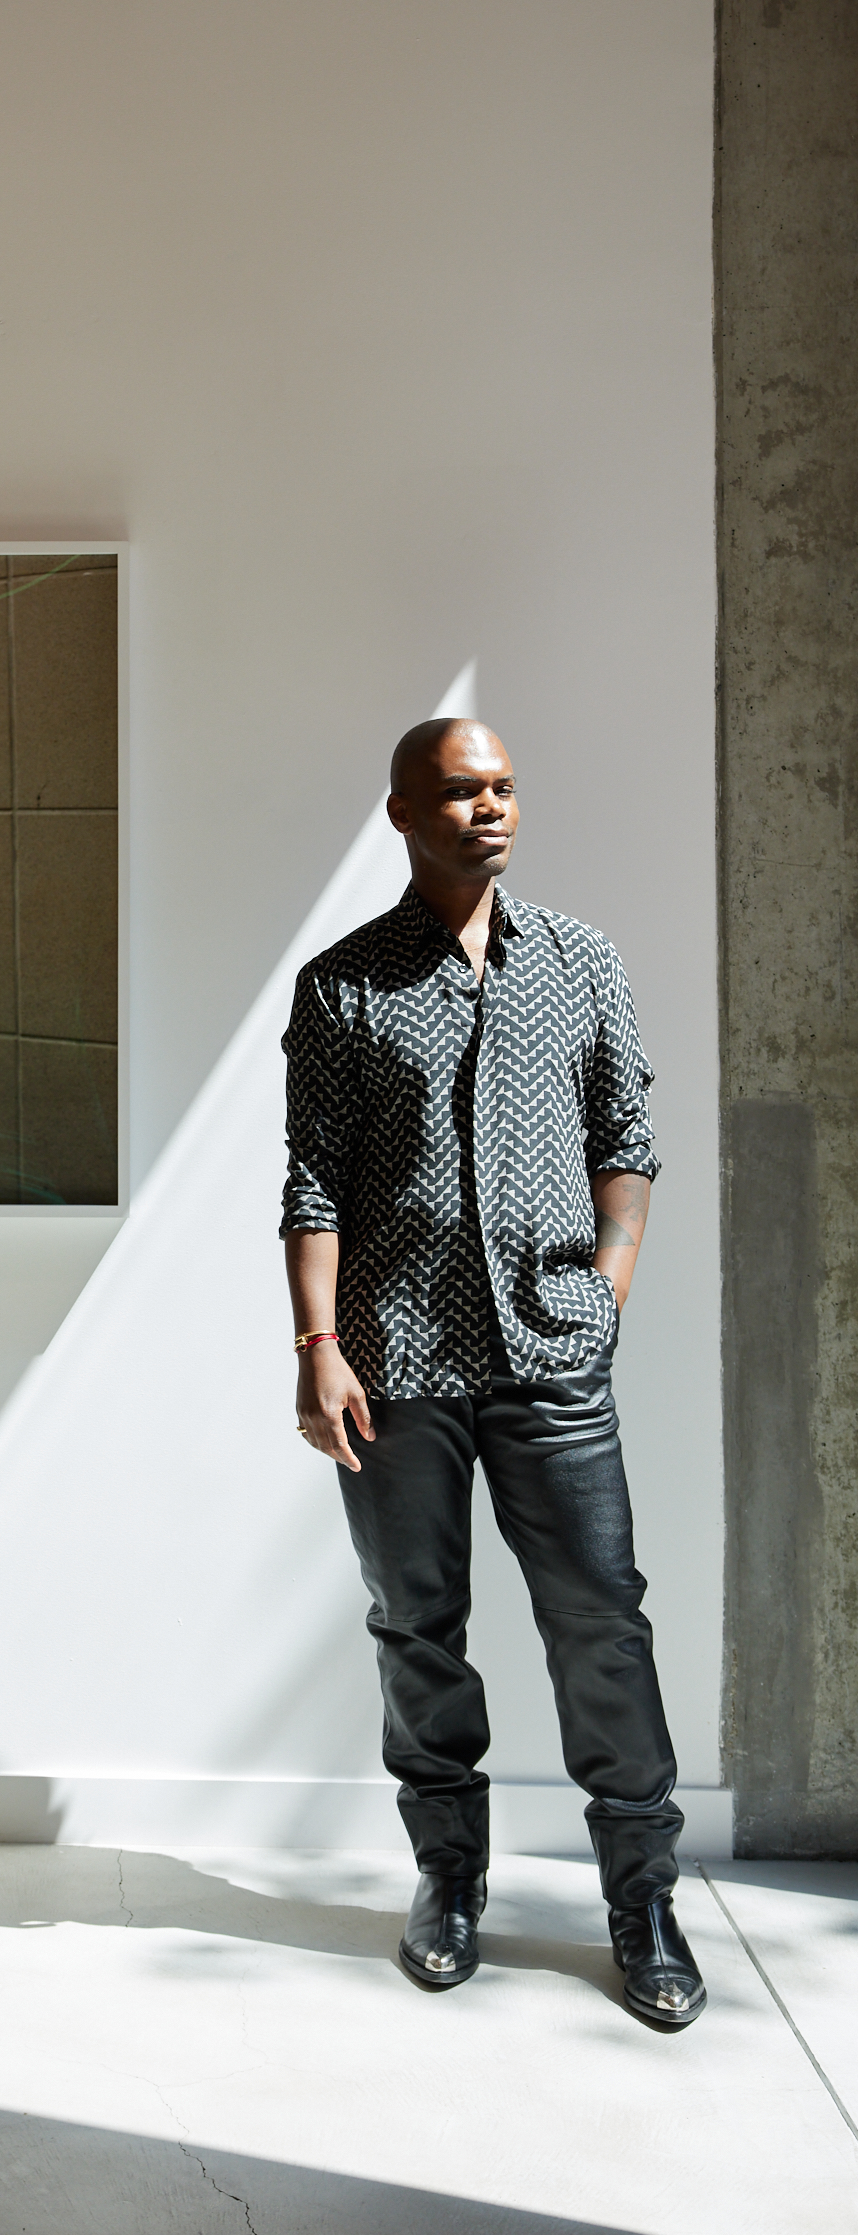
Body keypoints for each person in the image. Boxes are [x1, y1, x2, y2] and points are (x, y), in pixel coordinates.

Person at [280, 717, 705, 2028]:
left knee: (601, 1620)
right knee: (417, 1626)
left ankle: (642, 1897)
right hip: (396, 1363)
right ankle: (446, 1880)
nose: (491, 809)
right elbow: (312, 1181)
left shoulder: (580, 962)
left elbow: (628, 1130)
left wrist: (609, 1284)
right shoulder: (344, 983)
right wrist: (318, 1349)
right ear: (404, 810)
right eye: (462, 792)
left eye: (505, 788)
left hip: (549, 1353)